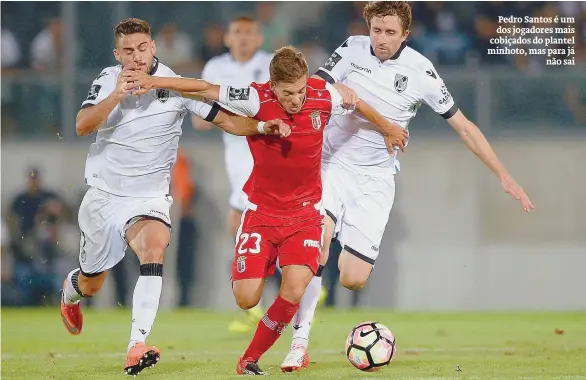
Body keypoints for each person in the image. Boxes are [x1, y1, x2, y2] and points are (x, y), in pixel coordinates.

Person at [280, 1, 535, 371]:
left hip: (376, 181)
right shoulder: (350, 48)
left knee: (352, 278)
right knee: (315, 247)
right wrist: (339, 96)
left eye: (390, 33)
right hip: (331, 165)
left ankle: (319, 257)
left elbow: (464, 126)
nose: (381, 39)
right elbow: (315, 88)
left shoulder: (421, 71)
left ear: (406, 34)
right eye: (377, 30)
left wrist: (503, 174)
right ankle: (299, 343)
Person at [125, 45, 408, 375]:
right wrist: (154, 80)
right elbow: (203, 87)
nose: (296, 100)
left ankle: (250, 358)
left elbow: (355, 101)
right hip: (261, 214)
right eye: (288, 93)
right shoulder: (255, 99)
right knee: (246, 298)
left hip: (305, 215)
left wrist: (387, 127)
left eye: (301, 90)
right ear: (273, 86)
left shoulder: (322, 95)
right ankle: (262, 267)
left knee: (296, 286)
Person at [58, 17, 289, 377]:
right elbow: (82, 125)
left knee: (154, 248)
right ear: (118, 54)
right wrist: (117, 95)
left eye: (142, 48)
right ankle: (71, 292)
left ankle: (137, 344)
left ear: (153, 47)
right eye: (128, 51)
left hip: (149, 196)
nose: (136, 57)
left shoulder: (174, 85)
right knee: (92, 281)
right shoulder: (107, 80)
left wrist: (260, 127)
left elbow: (226, 120)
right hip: (105, 195)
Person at [198, 16, 286, 333]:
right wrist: (232, 115)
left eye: (250, 33)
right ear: (226, 38)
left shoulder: (273, 64)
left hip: (268, 153)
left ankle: (280, 303)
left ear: (259, 38)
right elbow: (199, 119)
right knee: (242, 228)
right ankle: (264, 306)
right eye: (237, 32)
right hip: (236, 158)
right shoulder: (214, 69)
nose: (244, 38)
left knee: (253, 226)